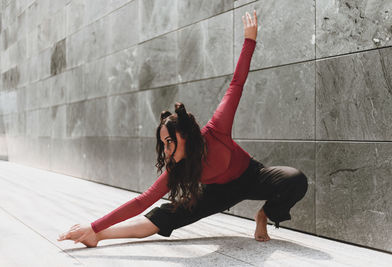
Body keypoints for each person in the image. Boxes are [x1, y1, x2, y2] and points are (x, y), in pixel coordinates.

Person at [58, 10, 308, 248]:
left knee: (295, 180)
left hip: (251, 176)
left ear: (186, 136)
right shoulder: (178, 167)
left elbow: (236, 84)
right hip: (217, 193)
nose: (166, 150)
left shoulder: (216, 130)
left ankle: (263, 215)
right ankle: (100, 237)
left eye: (169, 142)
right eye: (163, 144)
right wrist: (95, 228)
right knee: (168, 214)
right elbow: (141, 201)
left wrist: (249, 41)